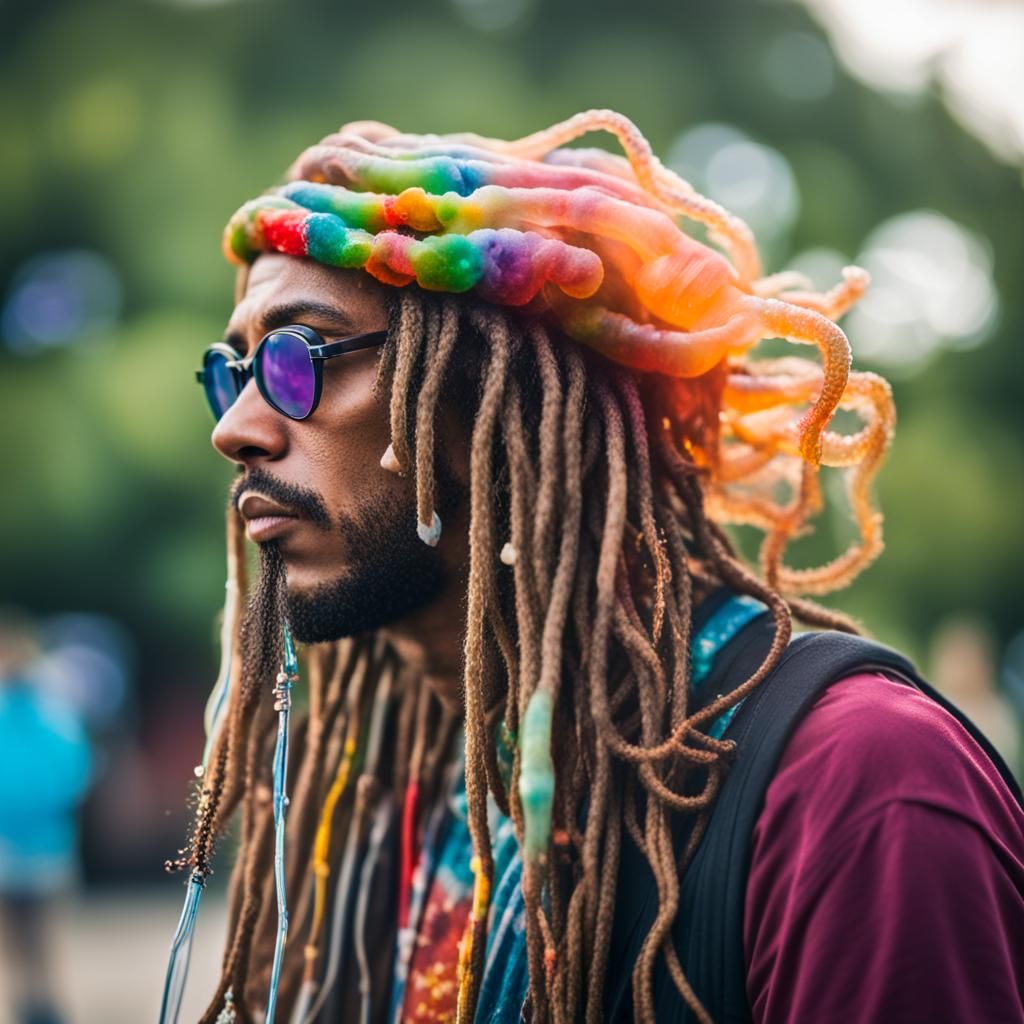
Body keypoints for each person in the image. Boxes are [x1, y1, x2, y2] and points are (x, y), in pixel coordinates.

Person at [164, 111, 1024, 1024]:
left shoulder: (862, 786)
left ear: (509, 392)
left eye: (297, 355)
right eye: (232, 372)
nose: (235, 427)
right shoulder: (411, 800)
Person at [0, 611, 93, 1024]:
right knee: (20, 940)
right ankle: (31, 1002)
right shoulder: (48, 711)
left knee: (37, 937)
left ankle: (41, 1004)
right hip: (20, 845)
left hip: (43, 844)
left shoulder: (51, 710)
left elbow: (74, 768)